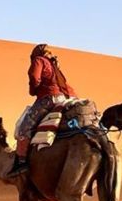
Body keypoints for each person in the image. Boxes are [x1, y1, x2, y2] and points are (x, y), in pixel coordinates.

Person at [7, 43, 78, 177]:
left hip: (48, 99)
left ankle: (21, 161)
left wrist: (35, 87)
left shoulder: (39, 60)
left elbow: (34, 77)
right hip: (64, 98)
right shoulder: (54, 65)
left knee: (24, 127)